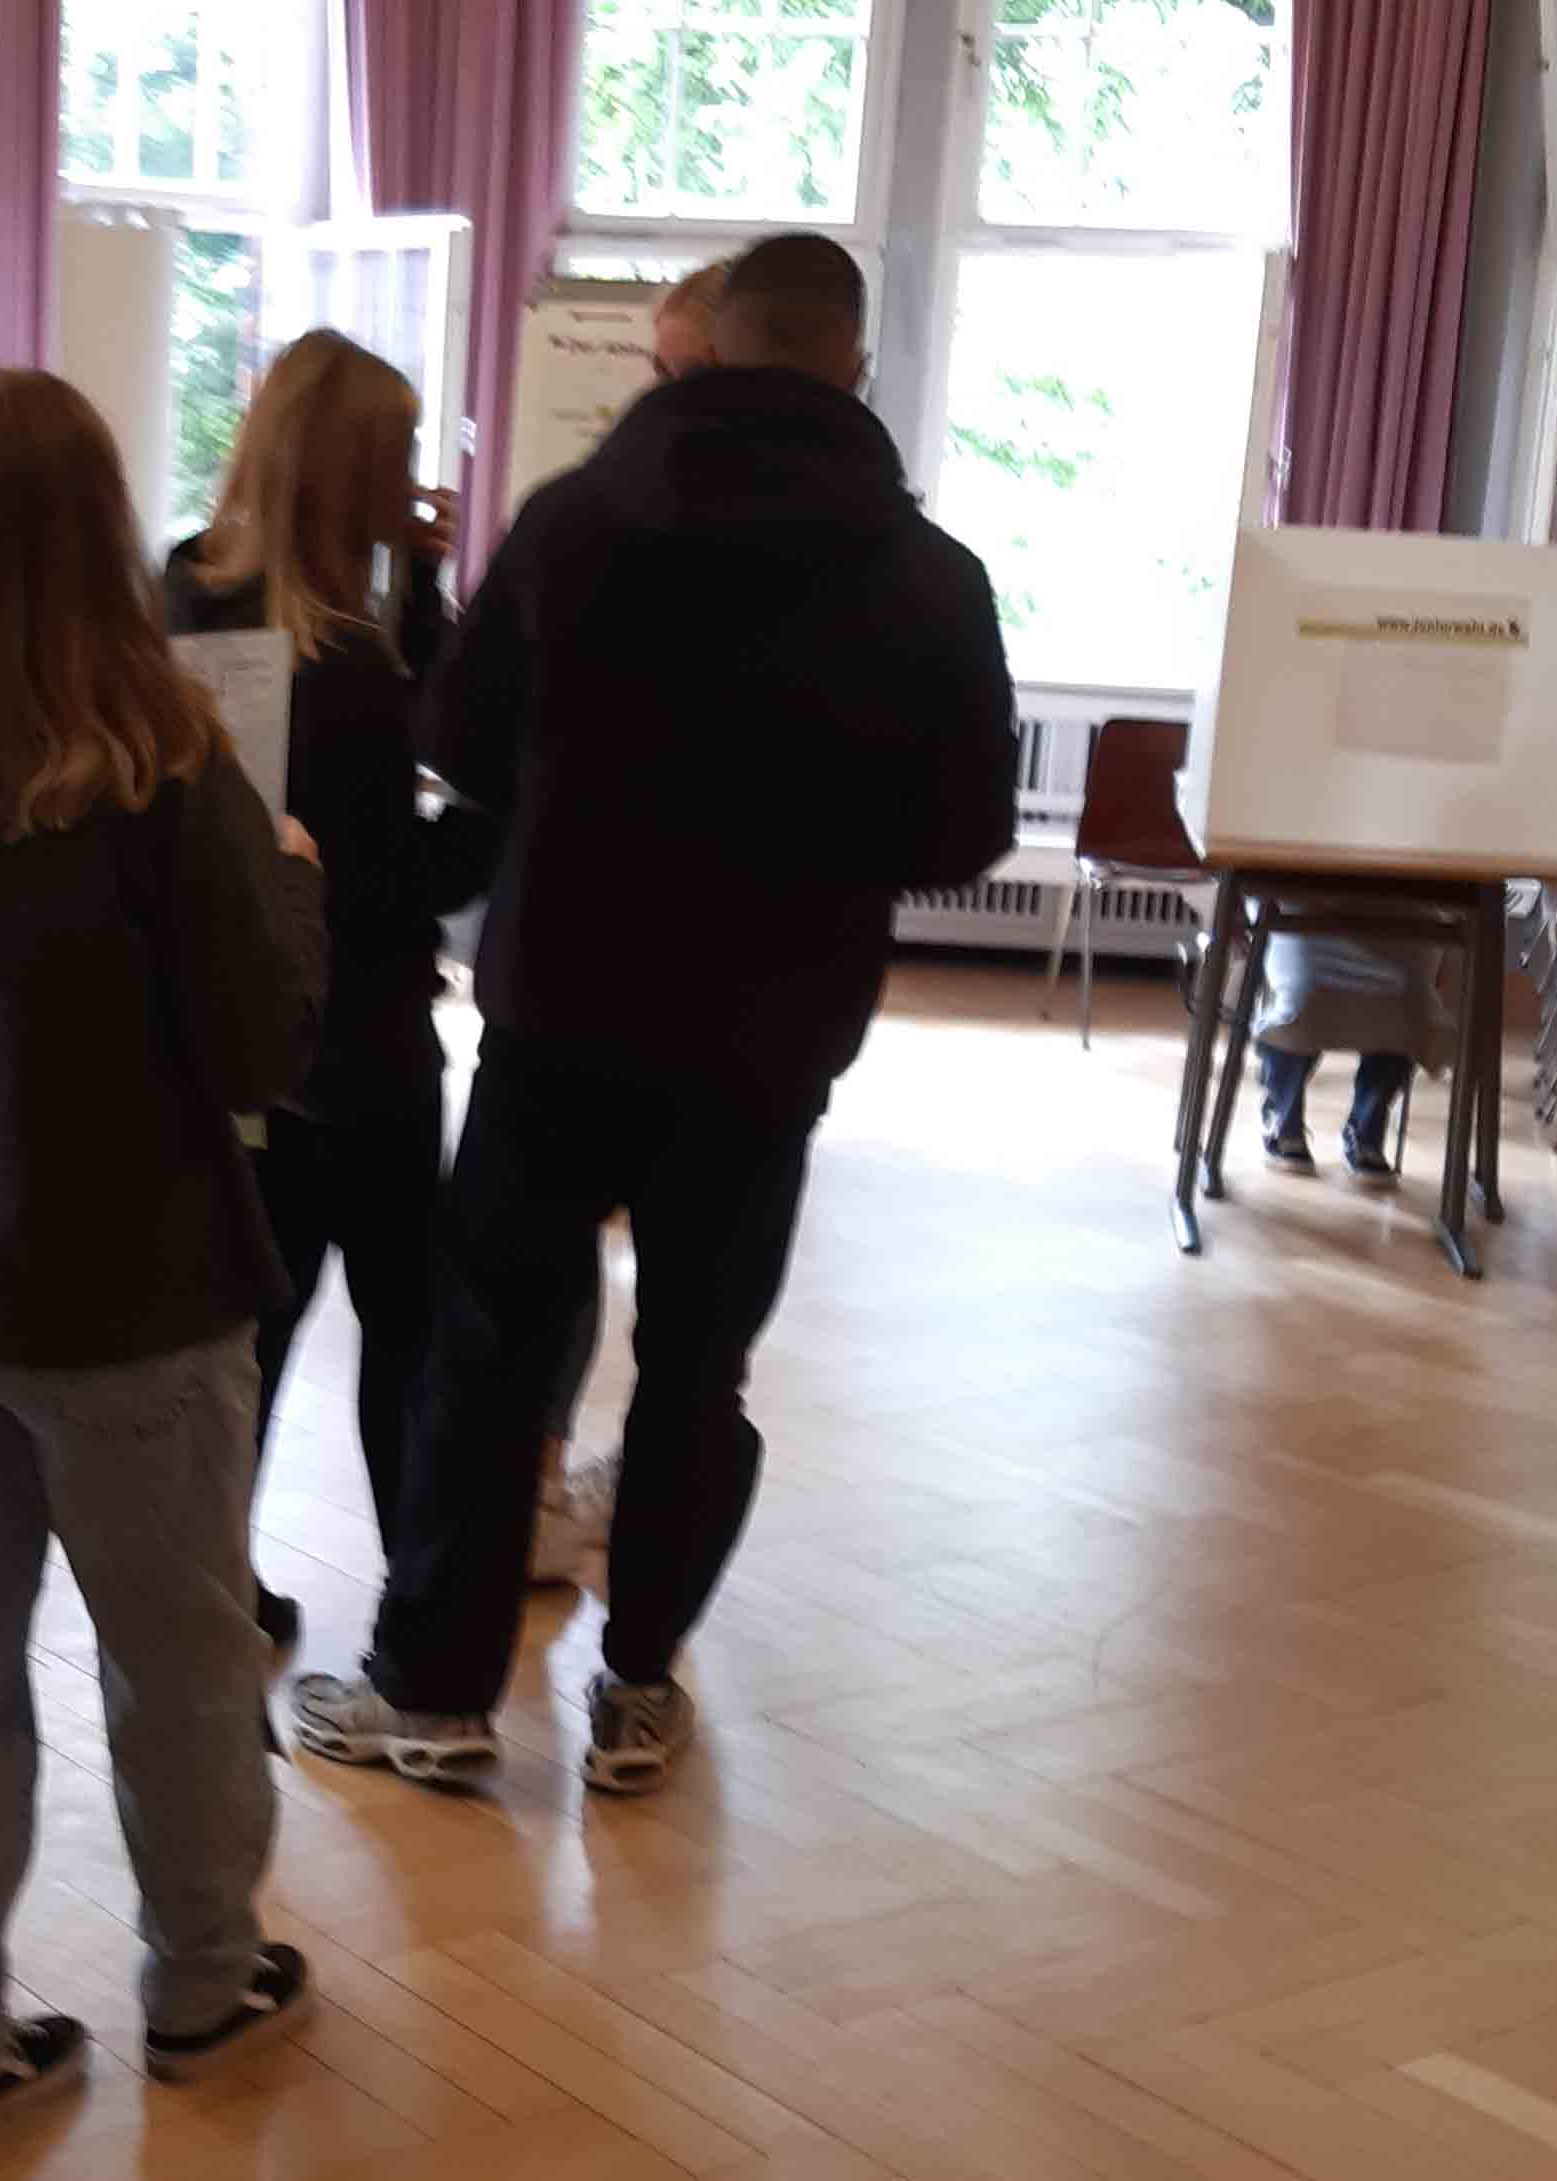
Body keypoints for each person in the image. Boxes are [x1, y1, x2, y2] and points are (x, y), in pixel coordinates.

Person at [288, 235, 1020, 1797]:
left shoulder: (576, 525)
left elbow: (465, 739)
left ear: (703, 354)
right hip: (770, 1037)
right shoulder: (928, 575)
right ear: (855, 367)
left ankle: (434, 1693)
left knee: (488, 1352)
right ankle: (636, 1692)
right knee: (701, 1367)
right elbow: (963, 837)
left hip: (563, 1013)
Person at [0, 369, 327, 2154]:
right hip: (137, 1296)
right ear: (105, 534)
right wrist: (291, 880)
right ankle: (199, 1978)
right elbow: (260, 1046)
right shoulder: (172, 762)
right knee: (174, 1658)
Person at [163, 331, 498, 1651]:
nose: (415, 477)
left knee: (249, 1333)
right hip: (357, 1042)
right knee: (405, 1334)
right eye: (400, 456)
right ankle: (415, 1618)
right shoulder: (353, 658)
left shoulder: (181, 584)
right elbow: (391, 868)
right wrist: (495, 819)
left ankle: (215, 1592)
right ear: (361, 469)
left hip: (228, 1031)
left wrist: (415, 581)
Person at [522, 259, 740, 1585]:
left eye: (674, 376)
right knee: (670, 1321)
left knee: (640, 1308)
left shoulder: (581, 523)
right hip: (687, 1005)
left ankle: (598, 1604)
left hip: (624, 990)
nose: (652, 402)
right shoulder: (888, 553)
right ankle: (627, 1625)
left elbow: (477, 739)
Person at [1253, 932, 1449, 1181]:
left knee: (1300, 1004)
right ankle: (1364, 1134)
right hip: (1402, 945)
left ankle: (1284, 1122)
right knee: (1404, 1012)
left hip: (1307, 929)